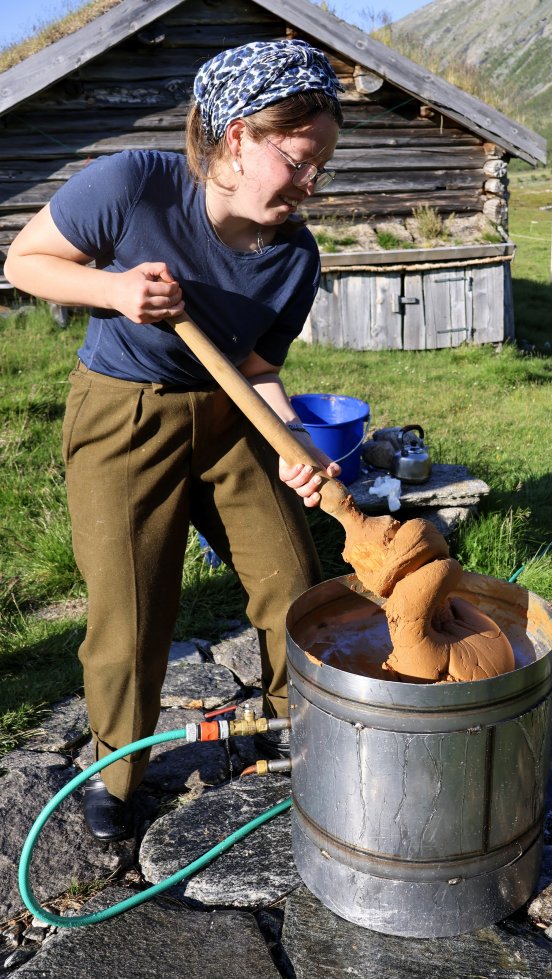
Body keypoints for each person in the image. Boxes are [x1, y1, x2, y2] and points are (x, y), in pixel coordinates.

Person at [4, 39, 344, 842]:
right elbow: (25, 261)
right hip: (125, 415)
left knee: (296, 581)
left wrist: (293, 442)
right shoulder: (133, 185)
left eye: (322, 165)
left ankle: (311, 731)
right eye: (299, 160)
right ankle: (115, 770)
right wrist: (114, 288)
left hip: (231, 423)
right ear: (236, 139)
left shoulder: (294, 255)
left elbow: (259, 367)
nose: (311, 184)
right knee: (130, 608)